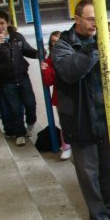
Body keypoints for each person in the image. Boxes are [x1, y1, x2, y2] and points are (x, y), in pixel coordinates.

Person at [52, 0, 110, 220]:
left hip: (109, 117)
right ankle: (98, 218)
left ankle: (109, 209)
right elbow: (70, 71)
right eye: (90, 19)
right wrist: (97, 47)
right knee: (89, 173)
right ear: (76, 18)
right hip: (81, 120)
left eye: (99, 19)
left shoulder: (106, 39)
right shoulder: (64, 45)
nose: (96, 24)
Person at [0, 10, 38, 146]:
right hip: (6, 81)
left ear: (7, 24)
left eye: (2, 23)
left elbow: (26, 50)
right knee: (15, 108)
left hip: (23, 77)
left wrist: (38, 53)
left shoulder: (17, 37)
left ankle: (30, 123)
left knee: (30, 104)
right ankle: (19, 133)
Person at [40, 31, 72, 160]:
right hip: (61, 96)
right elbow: (49, 81)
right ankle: (67, 147)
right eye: (53, 41)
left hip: (77, 95)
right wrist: (46, 70)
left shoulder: (71, 54)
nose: (56, 44)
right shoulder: (50, 60)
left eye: (58, 41)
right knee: (65, 122)